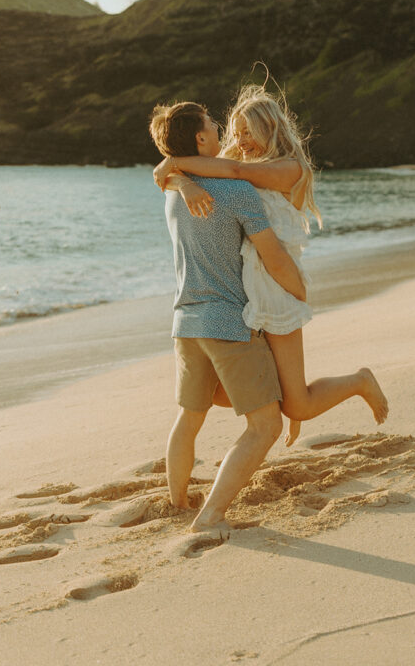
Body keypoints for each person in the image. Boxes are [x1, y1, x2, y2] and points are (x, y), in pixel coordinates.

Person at [154, 84, 388, 447]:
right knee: (220, 391)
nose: (242, 140)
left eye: (250, 132)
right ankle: (278, 400)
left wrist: (175, 164)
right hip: (243, 288)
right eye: (237, 132)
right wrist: (181, 180)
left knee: (298, 406)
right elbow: (178, 176)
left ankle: (359, 381)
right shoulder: (241, 162)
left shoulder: (289, 168)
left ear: (271, 129)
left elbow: (225, 169)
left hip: (277, 284)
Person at [149, 100, 306, 537]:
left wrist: (181, 177)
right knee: (266, 425)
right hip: (227, 323)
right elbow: (272, 254)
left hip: (185, 321)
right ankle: (211, 514)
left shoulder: (172, 192)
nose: (220, 131)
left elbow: (168, 171)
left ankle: (177, 503)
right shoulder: (235, 191)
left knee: (189, 417)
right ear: (201, 139)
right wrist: (299, 294)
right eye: (213, 126)